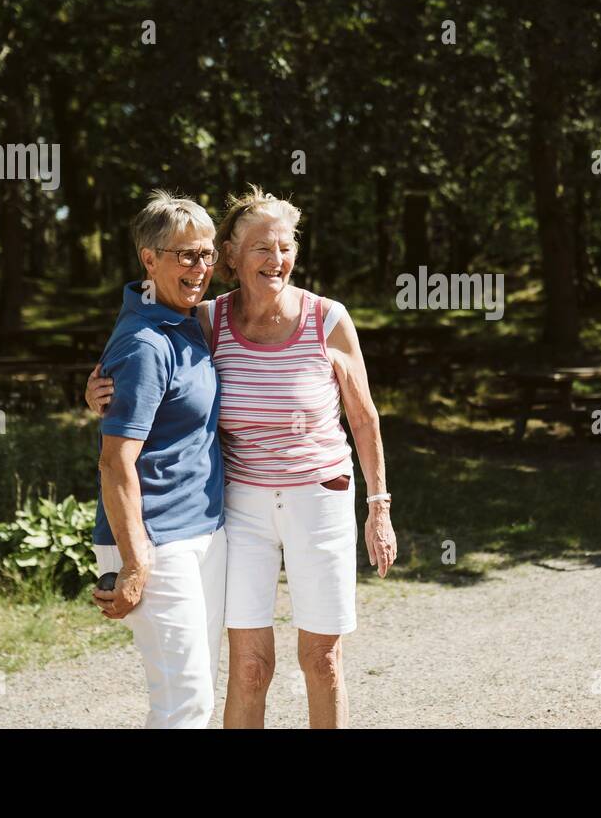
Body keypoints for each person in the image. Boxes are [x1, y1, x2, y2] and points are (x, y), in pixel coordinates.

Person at [88, 186, 396, 729]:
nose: (275, 260)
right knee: (249, 669)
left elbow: (365, 418)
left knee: (321, 660)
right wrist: (94, 389)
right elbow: (143, 366)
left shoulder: (327, 319)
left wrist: (379, 506)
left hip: (317, 499)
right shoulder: (208, 319)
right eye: (260, 248)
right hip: (242, 507)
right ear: (233, 256)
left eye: (284, 247)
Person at [91, 190, 226, 728]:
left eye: (209, 254)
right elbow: (114, 462)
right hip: (155, 541)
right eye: (186, 255)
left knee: (196, 695)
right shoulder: (146, 343)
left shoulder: (188, 319)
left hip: (203, 533)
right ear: (150, 259)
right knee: (183, 703)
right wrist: (135, 559)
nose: (201, 268)